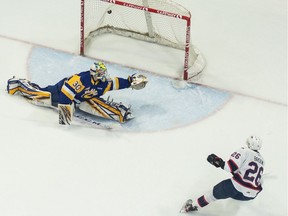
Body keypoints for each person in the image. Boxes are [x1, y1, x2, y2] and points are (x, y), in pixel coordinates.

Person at [7, 61, 148, 125]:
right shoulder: (80, 80)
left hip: (84, 98)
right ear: (94, 74)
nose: (104, 75)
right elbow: (65, 94)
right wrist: (66, 115)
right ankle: (18, 84)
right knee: (39, 96)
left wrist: (130, 82)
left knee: (98, 105)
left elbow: (116, 83)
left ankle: (121, 112)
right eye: (101, 73)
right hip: (60, 91)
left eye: (104, 73)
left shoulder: (102, 82)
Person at [180, 135, 265, 213]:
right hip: (249, 196)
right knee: (234, 197)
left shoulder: (245, 151)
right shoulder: (262, 161)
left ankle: (190, 207)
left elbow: (230, 167)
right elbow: (245, 174)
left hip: (235, 188)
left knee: (212, 195)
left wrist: (218, 161)